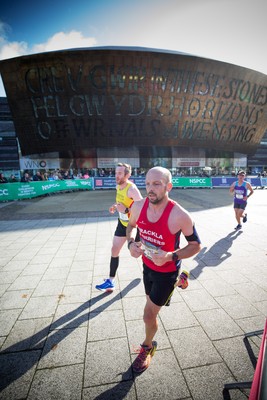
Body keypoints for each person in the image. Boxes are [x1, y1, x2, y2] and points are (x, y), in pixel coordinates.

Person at [126, 166, 201, 373]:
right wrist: (131, 243)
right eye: (148, 183)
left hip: (167, 272)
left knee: (148, 315)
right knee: (153, 302)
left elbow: (196, 245)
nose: (151, 188)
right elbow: (130, 226)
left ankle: (148, 347)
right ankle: (183, 280)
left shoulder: (180, 215)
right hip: (147, 267)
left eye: (157, 184)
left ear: (169, 186)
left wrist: (171, 256)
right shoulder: (139, 206)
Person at [96, 163, 143, 292]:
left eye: (120, 173)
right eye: (116, 173)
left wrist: (127, 209)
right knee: (114, 249)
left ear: (127, 175)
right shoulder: (118, 186)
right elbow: (121, 202)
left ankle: (152, 270)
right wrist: (115, 206)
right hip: (122, 224)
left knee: (137, 254)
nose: (116, 175)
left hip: (134, 226)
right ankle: (110, 281)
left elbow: (142, 207)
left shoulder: (132, 189)